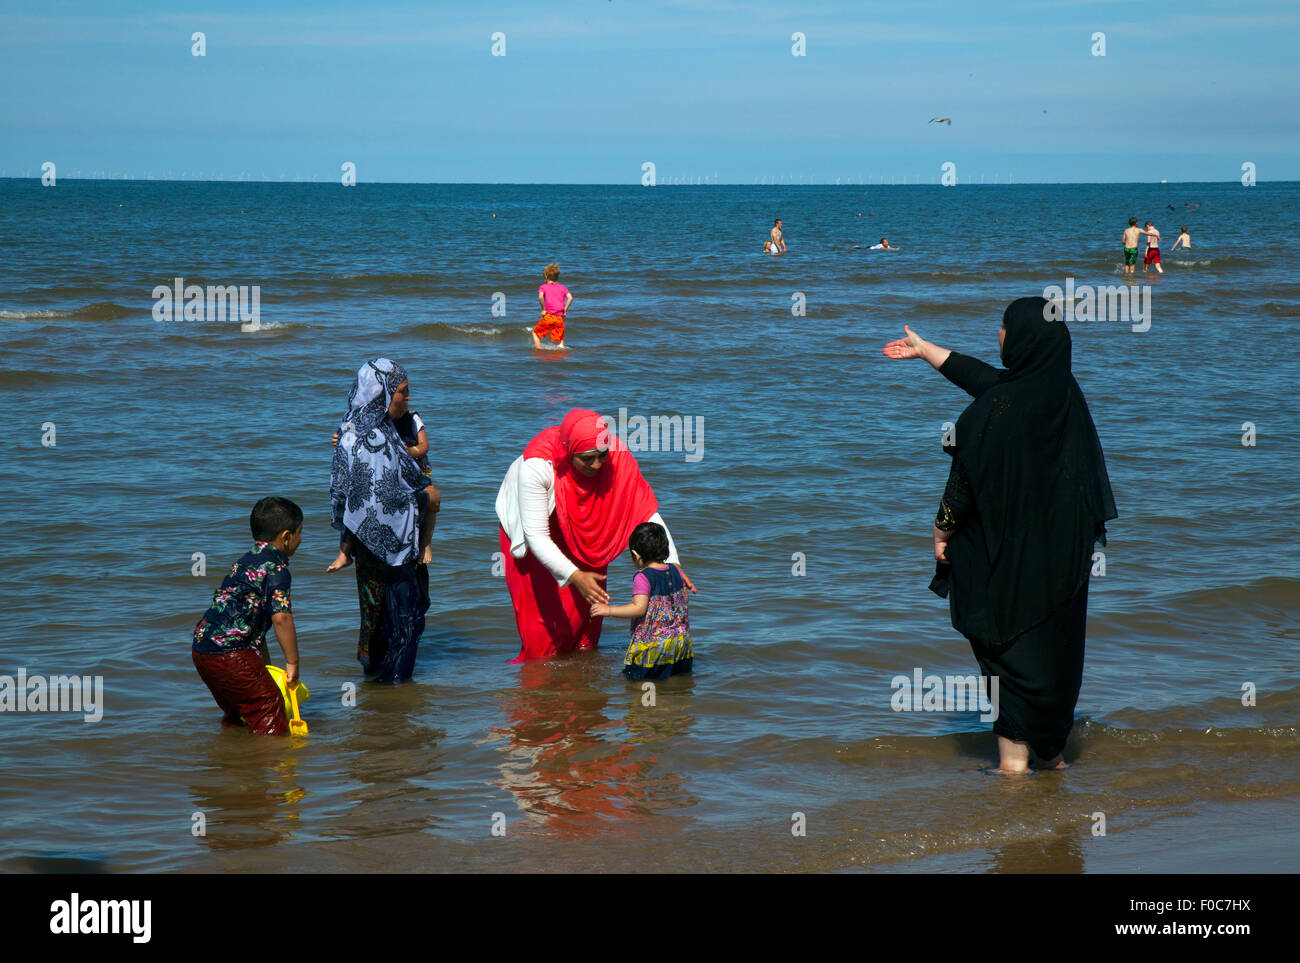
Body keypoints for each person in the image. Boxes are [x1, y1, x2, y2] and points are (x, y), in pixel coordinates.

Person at [882, 298, 1117, 774]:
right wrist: (926, 350)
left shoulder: (998, 410)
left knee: (1007, 649)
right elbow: (986, 380)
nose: (999, 335)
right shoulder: (1062, 393)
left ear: (1023, 338)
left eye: (1003, 328)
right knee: (1055, 650)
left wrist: (940, 532)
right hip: (1063, 560)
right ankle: (1051, 756)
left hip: (1009, 560)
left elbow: (964, 478)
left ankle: (1012, 768)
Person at [495, 408, 695, 663]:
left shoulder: (616, 456)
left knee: (585, 631)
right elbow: (536, 535)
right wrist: (574, 575)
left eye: (602, 456)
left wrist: (671, 564)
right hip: (535, 537)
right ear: (569, 453)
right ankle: (540, 697)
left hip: (587, 533)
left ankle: (581, 689)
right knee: (544, 634)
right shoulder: (537, 466)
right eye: (587, 459)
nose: (597, 465)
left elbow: (645, 511)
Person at [327, 358, 440, 683]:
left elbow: (344, 495)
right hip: (394, 550)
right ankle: (395, 704)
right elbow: (383, 500)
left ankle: (376, 702)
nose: (407, 398)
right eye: (401, 392)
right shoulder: (376, 440)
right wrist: (426, 498)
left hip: (364, 545)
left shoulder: (352, 430)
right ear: (382, 394)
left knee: (375, 616)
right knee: (404, 622)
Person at [192, 497, 303, 735]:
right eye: (299, 533)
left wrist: (264, 669)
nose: (300, 540)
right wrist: (292, 663)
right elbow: (281, 618)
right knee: (268, 707)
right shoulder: (277, 569)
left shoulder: (244, 562)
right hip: (230, 653)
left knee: (240, 711)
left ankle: (237, 759)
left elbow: (250, 626)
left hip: (202, 648)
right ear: (286, 536)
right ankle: (274, 760)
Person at [591, 521, 694, 679]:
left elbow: (639, 608)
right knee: (676, 687)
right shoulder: (676, 570)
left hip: (653, 648)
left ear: (637, 555)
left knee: (641, 688)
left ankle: (647, 703)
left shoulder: (643, 576)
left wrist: (609, 610)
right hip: (680, 645)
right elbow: (683, 598)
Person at [533, 263, 573, 349]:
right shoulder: (563, 287)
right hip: (559, 318)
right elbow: (570, 298)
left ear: (546, 276)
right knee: (560, 340)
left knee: (535, 333)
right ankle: (561, 354)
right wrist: (565, 310)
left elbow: (540, 297)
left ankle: (539, 350)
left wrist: (543, 309)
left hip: (549, 316)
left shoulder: (543, 287)